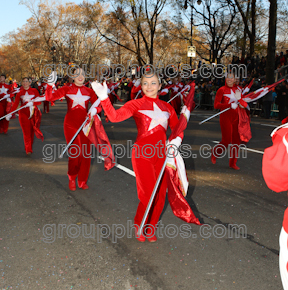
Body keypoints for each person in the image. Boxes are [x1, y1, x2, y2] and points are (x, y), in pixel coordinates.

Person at [92, 73, 200, 242]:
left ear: (160, 85)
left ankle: (151, 227)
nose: (149, 86)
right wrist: (104, 97)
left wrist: (176, 142)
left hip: (162, 155)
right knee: (149, 193)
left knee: (160, 195)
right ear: (141, 86)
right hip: (142, 153)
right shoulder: (136, 104)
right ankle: (139, 224)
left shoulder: (167, 107)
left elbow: (177, 129)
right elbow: (114, 117)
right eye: (145, 83)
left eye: (153, 83)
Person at [45, 68, 101, 191]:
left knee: (86, 154)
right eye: (77, 74)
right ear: (73, 76)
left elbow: (100, 105)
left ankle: (82, 180)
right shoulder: (67, 89)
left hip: (86, 126)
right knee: (75, 153)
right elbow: (49, 98)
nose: (80, 76)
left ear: (85, 76)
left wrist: (95, 110)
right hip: (70, 125)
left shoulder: (89, 91)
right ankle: (72, 177)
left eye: (82, 74)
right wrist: (49, 85)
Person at [211, 73, 247, 170]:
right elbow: (216, 105)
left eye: (232, 78)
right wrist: (229, 106)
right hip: (225, 117)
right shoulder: (221, 90)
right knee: (226, 141)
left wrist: (242, 104)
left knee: (236, 141)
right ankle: (215, 152)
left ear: (235, 79)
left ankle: (232, 163)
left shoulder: (238, 90)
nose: (230, 79)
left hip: (236, 117)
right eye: (228, 77)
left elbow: (242, 103)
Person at [8, 77, 43, 154]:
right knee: (26, 132)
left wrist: (33, 103)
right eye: (23, 81)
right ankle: (28, 149)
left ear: (29, 82)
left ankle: (29, 146)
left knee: (31, 131)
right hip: (23, 113)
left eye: (26, 81)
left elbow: (39, 101)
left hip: (33, 113)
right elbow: (16, 104)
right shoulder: (20, 93)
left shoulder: (34, 91)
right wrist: (10, 113)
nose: (25, 83)